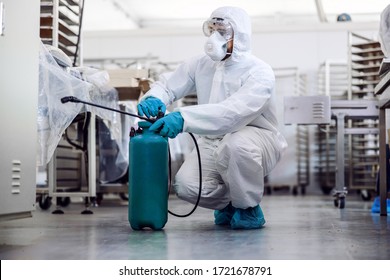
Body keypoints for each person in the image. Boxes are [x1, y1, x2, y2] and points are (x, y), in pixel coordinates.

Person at [137, 6, 287, 230]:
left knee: (236, 145)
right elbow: (169, 85)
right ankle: (231, 203)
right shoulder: (200, 64)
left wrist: (182, 119)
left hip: (256, 138)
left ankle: (248, 208)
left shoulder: (259, 72)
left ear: (241, 35)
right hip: (212, 140)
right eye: (213, 29)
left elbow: (232, 113)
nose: (215, 37)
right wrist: (155, 97)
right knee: (186, 186)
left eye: (223, 31)